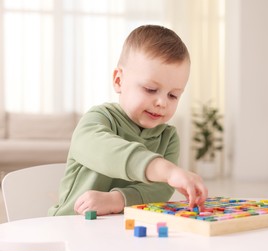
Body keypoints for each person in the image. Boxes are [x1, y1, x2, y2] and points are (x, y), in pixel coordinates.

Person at [49, 25, 208, 219]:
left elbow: (160, 190)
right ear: (118, 80)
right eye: (150, 89)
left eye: (173, 95)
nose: (162, 102)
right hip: (70, 231)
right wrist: (164, 169)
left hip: (126, 238)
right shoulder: (97, 119)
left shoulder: (168, 137)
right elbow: (106, 150)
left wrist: (117, 199)